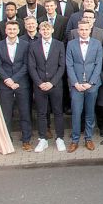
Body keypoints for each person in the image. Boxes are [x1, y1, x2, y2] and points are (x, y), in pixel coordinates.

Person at [0, 20, 33, 151]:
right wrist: (7, 80)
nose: (11, 31)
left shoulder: (25, 45)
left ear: (18, 30)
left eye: (14, 29)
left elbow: (27, 65)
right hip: (5, 85)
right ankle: (6, 140)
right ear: (5, 30)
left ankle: (26, 140)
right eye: (9, 29)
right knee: (6, 114)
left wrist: (14, 79)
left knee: (25, 112)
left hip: (21, 83)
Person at [27, 21, 66, 153]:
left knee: (58, 112)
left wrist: (52, 82)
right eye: (43, 29)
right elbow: (31, 66)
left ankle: (60, 138)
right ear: (39, 31)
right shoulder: (33, 46)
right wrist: (39, 82)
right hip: (39, 85)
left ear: (52, 30)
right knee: (41, 113)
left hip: (55, 85)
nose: (45, 31)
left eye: (48, 29)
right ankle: (43, 139)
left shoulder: (59, 45)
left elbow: (62, 66)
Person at [65, 21, 103, 152]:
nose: (83, 32)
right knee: (76, 113)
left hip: (92, 85)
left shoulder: (97, 44)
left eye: (86, 29)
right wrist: (75, 83)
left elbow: (98, 65)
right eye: (81, 29)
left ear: (90, 30)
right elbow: (69, 65)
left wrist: (91, 82)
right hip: (76, 85)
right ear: (78, 30)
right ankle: (75, 140)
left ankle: (88, 138)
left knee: (90, 112)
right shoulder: (71, 44)